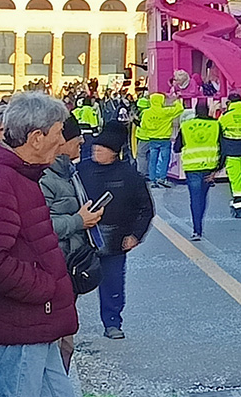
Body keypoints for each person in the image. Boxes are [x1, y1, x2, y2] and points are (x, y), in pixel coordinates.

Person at [0, 91, 79, 397]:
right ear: (36, 137)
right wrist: (43, 288)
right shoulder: (1, 179)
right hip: (25, 321)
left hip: (38, 320)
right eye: (59, 132)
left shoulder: (21, 174)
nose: (63, 142)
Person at [78, 122, 153, 340]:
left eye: (101, 149)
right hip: (83, 237)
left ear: (113, 152)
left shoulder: (129, 175)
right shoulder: (82, 170)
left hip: (115, 239)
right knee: (71, 281)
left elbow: (145, 208)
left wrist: (136, 236)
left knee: (112, 283)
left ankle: (112, 322)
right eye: (94, 147)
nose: (95, 151)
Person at [38, 115, 101, 371]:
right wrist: (78, 221)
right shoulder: (44, 177)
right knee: (59, 343)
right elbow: (41, 226)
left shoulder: (69, 170)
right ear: (60, 140)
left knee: (66, 341)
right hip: (54, 268)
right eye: (76, 136)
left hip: (69, 269)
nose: (82, 141)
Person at [175, 101, 222, 241]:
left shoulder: (186, 126)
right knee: (203, 197)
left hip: (192, 168)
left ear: (195, 112)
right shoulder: (216, 125)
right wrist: (217, 169)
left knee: (195, 198)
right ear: (207, 111)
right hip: (208, 167)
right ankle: (199, 223)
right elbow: (223, 147)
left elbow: (176, 147)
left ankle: (197, 229)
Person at [136, 91, 184, 188]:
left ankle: (152, 180)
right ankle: (162, 178)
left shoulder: (146, 113)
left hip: (152, 139)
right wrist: (176, 100)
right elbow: (180, 109)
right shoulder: (165, 112)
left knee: (152, 160)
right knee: (165, 159)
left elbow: (143, 125)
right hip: (165, 139)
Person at [217, 94, 241, 218]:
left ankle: (238, 204)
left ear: (229, 103)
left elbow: (219, 130)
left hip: (232, 151)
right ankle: (238, 201)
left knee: (235, 179)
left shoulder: (226, 116)